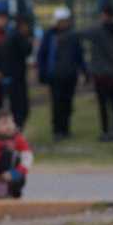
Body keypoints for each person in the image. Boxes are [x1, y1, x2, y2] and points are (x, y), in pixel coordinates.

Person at [37, 7, 85, 141]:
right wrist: (42, 74)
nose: (63, 23)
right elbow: (42, 55)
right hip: (55, 76)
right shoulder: (49, 35)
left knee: (67, 103)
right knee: (56, 103)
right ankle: (57, 130)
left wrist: (84, 71)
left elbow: (79, 55)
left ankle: (66, 128)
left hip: (70, 75)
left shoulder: (73, 36)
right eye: (61, 21)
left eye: (65, 21)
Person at [83, 4, 113, 142]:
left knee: (103, 103)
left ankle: (106, 131)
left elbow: (85, 34)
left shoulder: (98, 31)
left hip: (102, 73)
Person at [1, 15, 34, 131]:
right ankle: (17, 128)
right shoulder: (17, 36)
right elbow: (27, 50)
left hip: (12, 75)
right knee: (20, 106)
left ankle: (16, 127)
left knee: (17, 104)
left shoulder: (10, 35)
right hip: (16, 76)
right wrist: (30, 41)